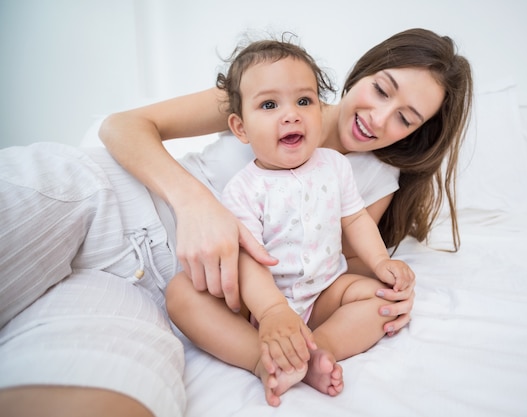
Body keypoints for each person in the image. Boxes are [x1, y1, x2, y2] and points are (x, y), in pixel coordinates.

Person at [0, 28, 472, 416]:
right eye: (381, 89)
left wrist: (389, 285)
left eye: (405, 118)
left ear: (417, 133)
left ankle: (292, 357)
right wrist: (198, 205)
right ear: (362, 73)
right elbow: (121, 126)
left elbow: (340, 264)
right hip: (105, 200)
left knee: (116, 397)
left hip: (156, 293)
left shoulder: (372, 175)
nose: (378, 117)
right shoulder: (272, 89)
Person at [165, 38, 416, 407]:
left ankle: (319, 350)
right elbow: (247, 257)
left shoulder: (335, 166)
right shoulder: (244, 189)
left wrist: (382, 263)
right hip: (255, 306)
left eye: (304, 101)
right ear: (240, 128)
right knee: (181, 294)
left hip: (324, 294)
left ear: (320, 108)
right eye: (269, 104)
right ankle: (260, 359)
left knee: (383, 301)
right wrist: (270, 312)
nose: (291, 114)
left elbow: (357, 219)